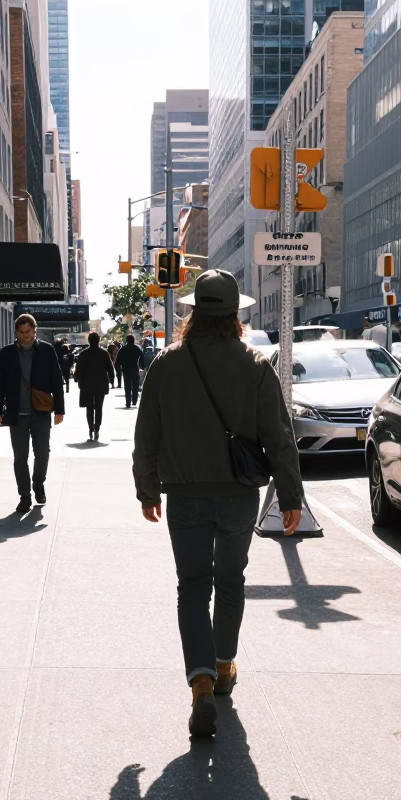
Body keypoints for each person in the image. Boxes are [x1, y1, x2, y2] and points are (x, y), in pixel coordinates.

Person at [132, 269, 303, 738]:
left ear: (192, 312)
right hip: (238, 495)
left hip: (184, 493)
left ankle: (201, 681)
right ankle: (224, 665)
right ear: (234, 315)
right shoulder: (255, 364)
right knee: (230, 582)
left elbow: (147, 434)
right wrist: (291, 497)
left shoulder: (165, 364)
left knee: (192, 588)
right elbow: (279, 436)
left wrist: (147, 490)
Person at [0, 313, 65, 513]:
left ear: (35, 330)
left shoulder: (47, 351)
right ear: (17, 332)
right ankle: (24, 496)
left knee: (43, 453)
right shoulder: (7, 353)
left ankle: (38, 483)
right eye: (22, 332)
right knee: (20, 457)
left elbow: (57, 380)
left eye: (29, 332)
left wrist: (59, 409)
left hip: (40, 412)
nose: (26, 336)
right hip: (17, 414)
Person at [74, 331, 115, 441]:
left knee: (89, 408)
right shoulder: (104, 353)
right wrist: (112, 378)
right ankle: (97, 429)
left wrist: (76, 376)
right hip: (100, 385)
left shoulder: (83, 354)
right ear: (98, 340)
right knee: (99, 407)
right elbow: (110, 368)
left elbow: (78, 369)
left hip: (86, 385)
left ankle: (91, 429)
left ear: (89, 341)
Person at [116, 334, 144, 408]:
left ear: (127, 340)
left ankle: (128, 402)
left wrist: (119, 368)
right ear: (133, 340)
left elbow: (117, 361)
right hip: (135, 369)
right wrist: (141, 365)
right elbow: (142, 356)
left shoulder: (122, 349)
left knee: (127, 386)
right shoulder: (136, 348)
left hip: (126, 370)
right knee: (135, 386)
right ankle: (134, 400)